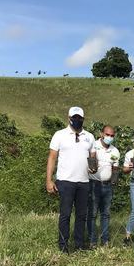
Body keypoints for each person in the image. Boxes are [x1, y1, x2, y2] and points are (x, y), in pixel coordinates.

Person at [46, 106, 96, 252]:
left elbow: (92, 157)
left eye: (79, 118)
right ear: (68, 118)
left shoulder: (89, 136)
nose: (77, 120)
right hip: (65, 181)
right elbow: (52, 157)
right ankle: (63, 246)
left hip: (84, 181)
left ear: (83, 119)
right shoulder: (59, 135)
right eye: (74, 118)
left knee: (81, 215)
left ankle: (79, 245)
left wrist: (94, 166)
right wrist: (49, 180)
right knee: (65, 215)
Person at [87, 125, 120, 247]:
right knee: (92, 214)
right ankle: (92, 241)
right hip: (93, 184)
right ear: (101, 134)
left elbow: (115, 168)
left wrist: (114, 180)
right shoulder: (93, 145)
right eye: (107, 134)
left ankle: (105, 240)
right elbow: (91, 161)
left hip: (107, 186)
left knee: (105, 214)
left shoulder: (115, 151)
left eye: (112, 135)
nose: (109, 137)